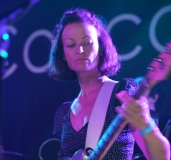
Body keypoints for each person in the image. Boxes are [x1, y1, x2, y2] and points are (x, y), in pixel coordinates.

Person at [47, 8, 170, 160]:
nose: (80, 50)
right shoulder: (63, 112)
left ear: (100, 47)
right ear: (63, 55)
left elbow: (162, 157)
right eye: (71, 45)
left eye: (87, 42)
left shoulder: (122, 93)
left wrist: (145, 124)